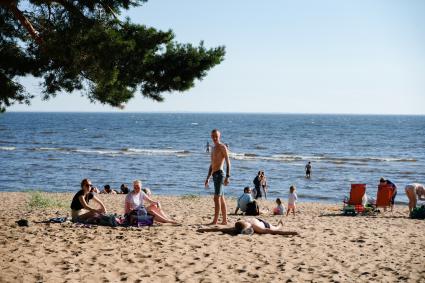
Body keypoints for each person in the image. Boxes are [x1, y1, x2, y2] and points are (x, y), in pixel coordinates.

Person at [204, 129, 231, 225]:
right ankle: (224, 220)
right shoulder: (213, 148)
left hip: (220, 174)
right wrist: (208, 178)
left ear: (219, 136)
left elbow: (228, 163)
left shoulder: (222, 147)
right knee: (221, 198)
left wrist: (228, 176)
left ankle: (215, 221)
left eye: (216, 136)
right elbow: (212, 164)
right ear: (211, 136)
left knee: (216, 198)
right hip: (214, 174)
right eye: (213, 136)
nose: (214, 138)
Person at [197, 217, 298, 236]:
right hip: (259, 221)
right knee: (275, 228)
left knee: (275, 227)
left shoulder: (253, 226)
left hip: (263, 223)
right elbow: (219, 229)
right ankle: (280, 223)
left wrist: (291, 232)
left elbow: (272, 231)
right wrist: (204, 229)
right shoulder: (242, 226)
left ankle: (280, 223)